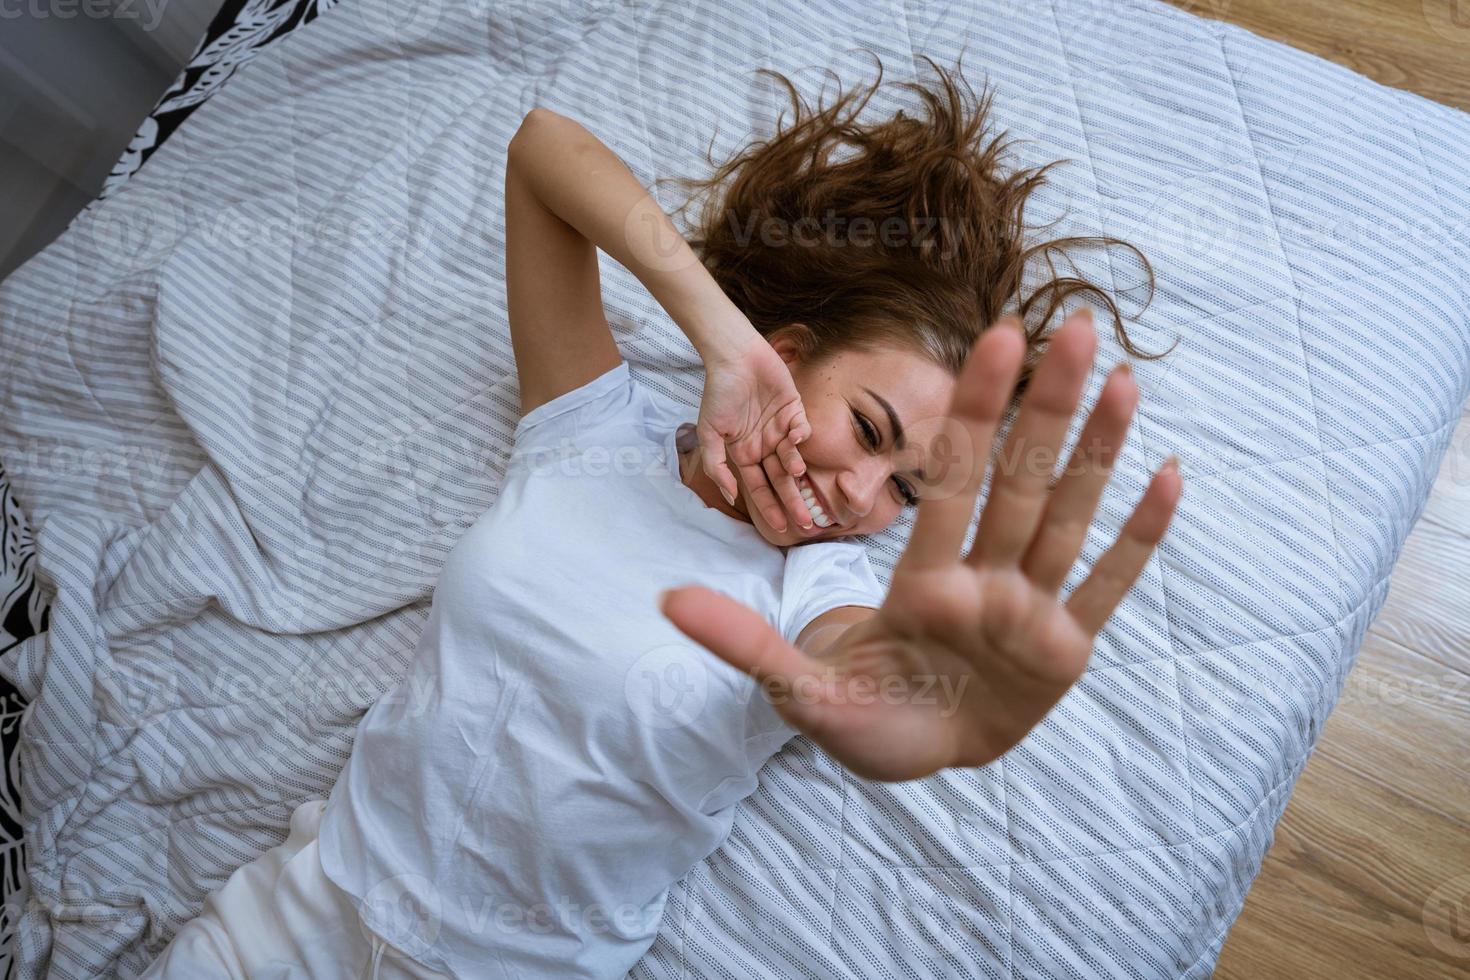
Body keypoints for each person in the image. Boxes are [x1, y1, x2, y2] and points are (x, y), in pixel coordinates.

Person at [141, 54, 1181, 979]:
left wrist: (902, 692)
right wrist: (721, 341)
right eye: (869, 431)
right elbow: (544, 152)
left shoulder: (821, 585)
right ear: (791, 349)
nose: (865, 498)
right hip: (290, 917)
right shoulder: (590, 424)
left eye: (907, 490)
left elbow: (859, 666)